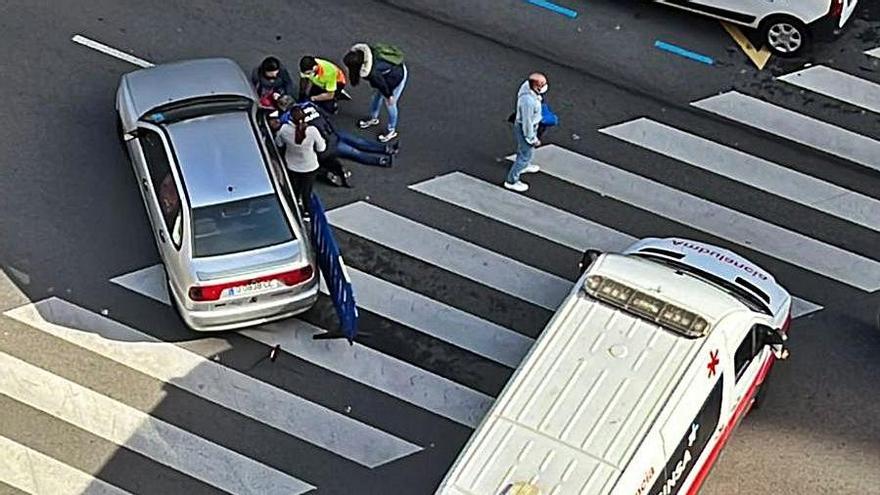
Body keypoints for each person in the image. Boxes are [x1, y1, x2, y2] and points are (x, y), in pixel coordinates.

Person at [343, 43, 408, 143]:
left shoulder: (372, 73)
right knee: (376, 98)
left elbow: (381, 84)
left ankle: (391, 130)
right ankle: (373, 118)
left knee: (390, 104)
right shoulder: (367, 57)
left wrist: (389, 95)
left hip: (397, 76)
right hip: (388, 74)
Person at [275, 107, 325, 217]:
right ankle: (307, 212)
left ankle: (294, 207)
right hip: (310, 166)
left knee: (294, 189)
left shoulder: (284, 130)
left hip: (292, 166)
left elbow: (279, 144)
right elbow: (321, 148)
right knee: (307, 191)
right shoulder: (312, 131)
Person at [504, 73, 548, 193]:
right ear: (534, 85)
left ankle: (525, 165)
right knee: (525, 154)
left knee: (525, 150)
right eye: (542, 84)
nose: (544, 86)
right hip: (527, 128)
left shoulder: (527, 88)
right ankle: (511, 181)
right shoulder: (528, 101)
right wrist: (532, 139)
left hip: (530, 124)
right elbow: (526, 123)